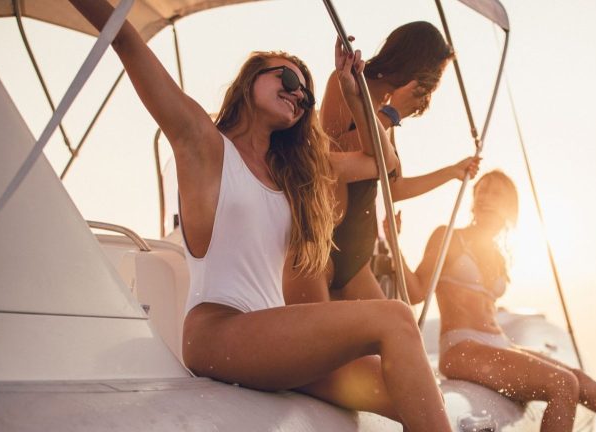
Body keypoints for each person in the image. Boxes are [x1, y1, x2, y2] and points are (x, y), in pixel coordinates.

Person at [69, 1, 452, 430]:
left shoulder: (295, 170)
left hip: (274, 336)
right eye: (287, 77)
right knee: (396, 315)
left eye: (305, 93)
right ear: (251, 79)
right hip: (218, 331)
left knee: (410, 393)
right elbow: (125, 38)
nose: (298, 92)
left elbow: (382, 163)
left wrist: (350, 89)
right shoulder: (204, 145)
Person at [391, 170, 596, 432]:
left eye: (495, 193)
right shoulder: (450, 238)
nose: (485, 197)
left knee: (581, 382)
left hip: (498, 343)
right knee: (563, 385)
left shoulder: (498, 254)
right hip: (462, 347)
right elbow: (416, 290)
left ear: (509, 207)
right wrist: (395, 243)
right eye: (481, 191)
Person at [284, 21, 480, 305]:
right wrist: (392, 113)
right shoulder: (347, 84)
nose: (434, 85)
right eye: (435, 75)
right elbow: (336, 152)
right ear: (418, 65)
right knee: (337, 343)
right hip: (329, 241)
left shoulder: (388, 109)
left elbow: (394, 187)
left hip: (358, 255)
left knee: (395, 336)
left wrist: (451, 172)